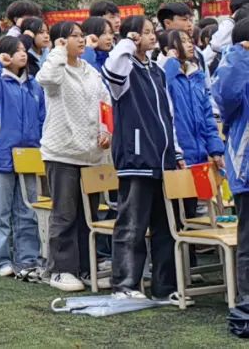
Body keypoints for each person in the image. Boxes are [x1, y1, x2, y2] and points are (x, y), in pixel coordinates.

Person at [102, 16, 183, 301]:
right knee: (132, 226)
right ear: (133, 36)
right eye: (145, 32)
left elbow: (168, 115)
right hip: (136, 160)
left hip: (162, 160)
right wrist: (126, 42)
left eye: (152, 32)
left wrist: (176, 151)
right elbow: (111, 71)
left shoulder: (156, 71)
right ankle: (125, 284)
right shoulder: (125, 69)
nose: (152, 36)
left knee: (166, 228)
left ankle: (165, 287)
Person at [37, 20, 112, 292]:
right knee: (65, 214)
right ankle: (60, 270)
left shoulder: (90, 71)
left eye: (82, 36)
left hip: (91, 154)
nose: (81, 40)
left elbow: (105, 103)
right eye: (74, 36)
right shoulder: (56, 69)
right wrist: (57, 52)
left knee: (88, 215)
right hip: (62, 152)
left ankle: (85, 266)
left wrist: (106, 131)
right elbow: (45, 79)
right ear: (60, 41)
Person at [0, 35, 45, 281]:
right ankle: (2, 259)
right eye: (15, 50)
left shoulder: (34, 85)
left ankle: (28, 258)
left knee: (27, 211)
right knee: (0, 212)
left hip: (28, 156)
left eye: (23, 50)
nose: (22, 54)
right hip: (1, 155)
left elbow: (41, 117)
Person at [163, 27, 224, 222]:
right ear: (170, 49)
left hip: (199, 154)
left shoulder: (197, 77)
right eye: (183, 40)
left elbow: (207, 117)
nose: (190, 44)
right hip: (180, 153)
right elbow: (168, 113)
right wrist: (171, 61)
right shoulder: (167, 73)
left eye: (190, 40)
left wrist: (215, 148)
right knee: (179, 213)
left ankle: (194, 251)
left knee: (195, 211)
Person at [210, 18, 249, 311]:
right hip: (246, 167)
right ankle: (247, 303)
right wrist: (238, 53)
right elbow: (225, 98)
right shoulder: (235, 66)